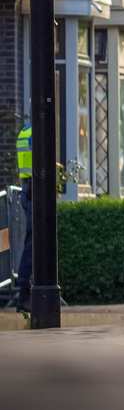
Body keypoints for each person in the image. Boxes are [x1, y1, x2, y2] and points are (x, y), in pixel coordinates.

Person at [13, 122, 32, 313]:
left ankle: (25, 294)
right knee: (33, 244)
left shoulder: (24, 131)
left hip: (27, 187)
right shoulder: (38, 131)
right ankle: (25, 293)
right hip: (35, 189)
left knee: (31, 242)